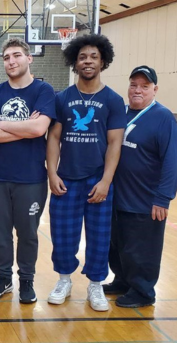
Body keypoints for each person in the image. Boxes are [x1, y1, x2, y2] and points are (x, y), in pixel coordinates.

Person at [46, 34, 126, 312]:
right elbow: (54, 138)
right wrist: (52, 174)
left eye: (93, 56)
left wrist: (106, 180)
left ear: (103, 61)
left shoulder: (113, 100)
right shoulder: (62, 98)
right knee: (62, 235)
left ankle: (95, 284)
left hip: (97, 180)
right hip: (66, 178)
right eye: (82, 57)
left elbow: (115, 142)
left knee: (99, 237)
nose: (88, 61)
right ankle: (64, 280)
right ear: (74, 62)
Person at [0, 37, 56, 303]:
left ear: (29, 58)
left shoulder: (44, 91)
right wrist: (25, 129)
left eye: (17, 56)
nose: (11, 61)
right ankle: (3, 278)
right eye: (6, 57)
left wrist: (4, 124)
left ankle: (26, 280)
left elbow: (39, 129)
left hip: (31, 179)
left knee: (28, 234)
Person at [105, 66, 177, 308]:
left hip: (145, 200)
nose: (137, 90)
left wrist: (163, 198)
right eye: (133, 85)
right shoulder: (121, 114)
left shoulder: (163, 117)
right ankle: (123, 280)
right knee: (119, 245)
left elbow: (172, 160)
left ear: (154, 90)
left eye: (144, 86)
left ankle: (143, 291)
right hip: (118, 197)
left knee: (142, 249)